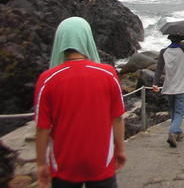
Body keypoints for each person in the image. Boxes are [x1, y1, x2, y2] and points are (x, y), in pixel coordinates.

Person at [34, 16, 126, 188]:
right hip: (101, 162)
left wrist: (41, 164)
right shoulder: (108, 74)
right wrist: (120, 149)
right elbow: (118, 118)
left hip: (63, 164)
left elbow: (42, 128)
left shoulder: (47, 79)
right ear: (87, 39)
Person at [153, 34, 184, 148]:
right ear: (181, 41)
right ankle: (172, 131)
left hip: (169, 86)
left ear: (170, 40)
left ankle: (177, 133)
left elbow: (158, 69)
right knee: (179, 112)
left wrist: (155, 83)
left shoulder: (164, 51)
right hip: (181, 86)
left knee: (173, 110)